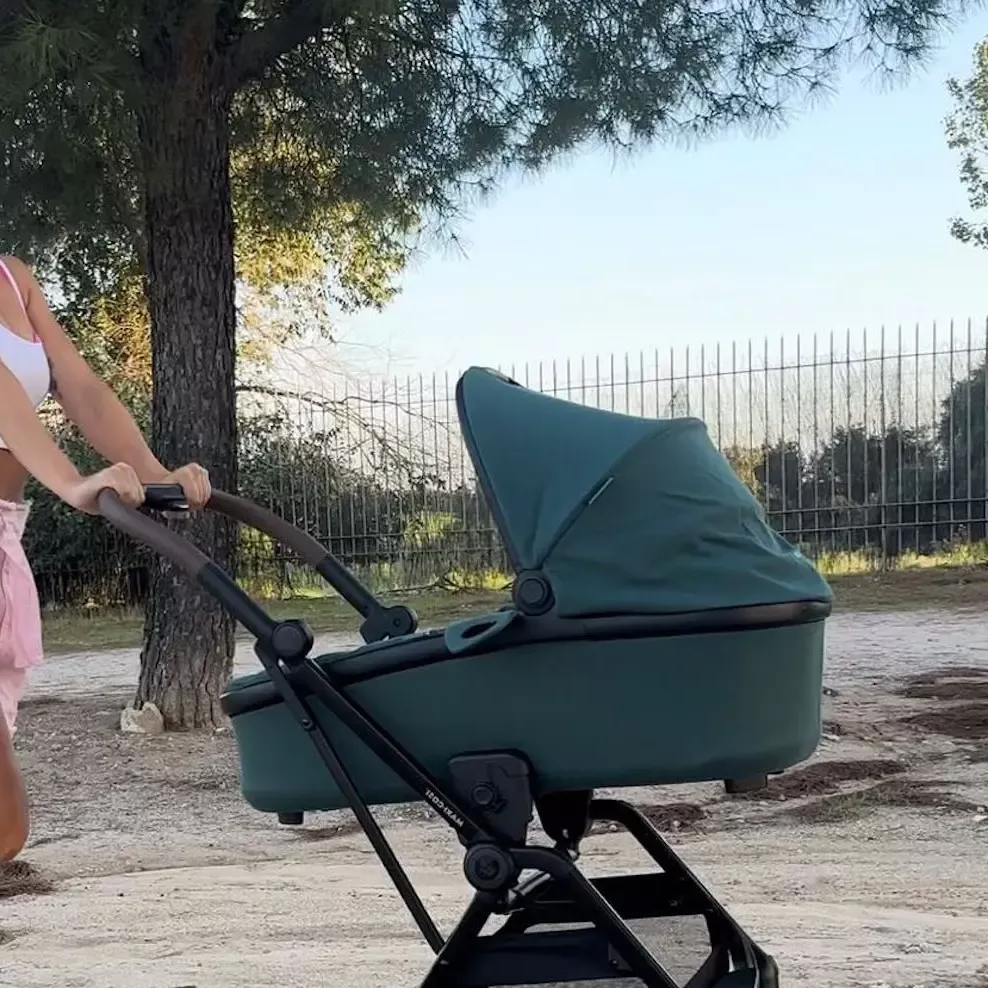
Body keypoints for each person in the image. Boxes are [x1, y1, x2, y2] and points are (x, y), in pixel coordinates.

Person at [0, 253, 212, 861]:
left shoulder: (14, 277)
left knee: (5, 835)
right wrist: (71, 484)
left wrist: (152, 475)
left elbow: (81, 387)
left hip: (5, 529)